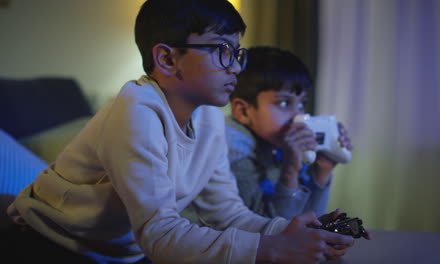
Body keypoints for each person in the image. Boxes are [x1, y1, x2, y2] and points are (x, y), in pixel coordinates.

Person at [5, 1, 356, 263]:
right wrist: (272, 249)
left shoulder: (210, 120)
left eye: (237, 53)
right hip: (48, 240)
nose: (235, 66)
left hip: (118, 251)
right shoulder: (134, 110)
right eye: (222, 51)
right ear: (167, 60)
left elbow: (228, 214)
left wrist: (294, 232)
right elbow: (159, 233)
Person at [226, 46, 352, 219]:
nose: (298, 115)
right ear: (244, 112)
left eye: (302, 103)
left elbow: (306, 221)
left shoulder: (279, 142)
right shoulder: (233, 147)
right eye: (284, 103)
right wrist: (289, 173)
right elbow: (266, 231)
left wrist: (322, 170)